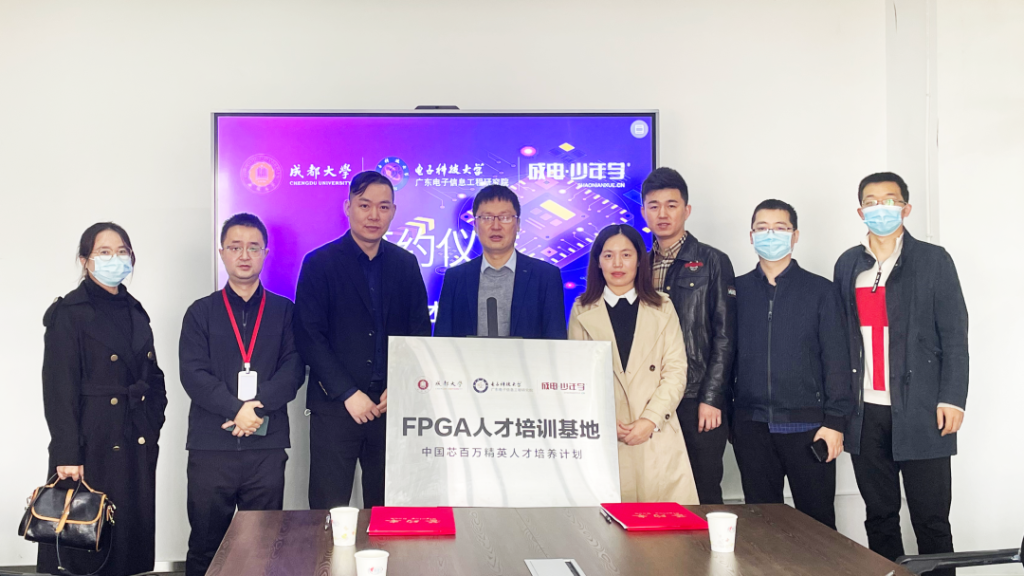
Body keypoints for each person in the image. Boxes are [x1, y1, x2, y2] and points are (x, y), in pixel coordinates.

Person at [834, 173, 968, 575]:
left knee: (931, 520)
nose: (881, 208)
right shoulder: (848, 264)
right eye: (871, 202)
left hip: (922, 409)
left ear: (906, 209)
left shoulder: (933, 260)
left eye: (890, 200)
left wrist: (952, 398)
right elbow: (839, 338)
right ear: (860, 212)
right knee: (880, 517)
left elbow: (955, 335)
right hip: (865, 412)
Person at [294, 171, 432, 509]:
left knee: (388, 509)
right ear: (348, 207)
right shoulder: (319, 263)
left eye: (383, 207)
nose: (374, 215)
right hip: (335, 408)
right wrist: (347, 392)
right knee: (328, 511)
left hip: (390, 406)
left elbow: (419, 332)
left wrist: (398, 386)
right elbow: (309, 335)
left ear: (393, 211)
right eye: (364, 205)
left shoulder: (405, 264)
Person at [178, 214, 305, 576]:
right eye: (235, 247)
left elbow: (294, 369)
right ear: (222, 252)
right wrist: (237, 410)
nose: (244, 255)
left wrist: (256, 409)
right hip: (210, 447)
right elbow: (193, 374)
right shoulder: (200, 312)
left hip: (266, 447)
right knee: (206, 544)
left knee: (263, 544)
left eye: (253, 247)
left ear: (265, 253)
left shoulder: (284, 311)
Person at [38, 223, 168, 576]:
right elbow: (58, 387)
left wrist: (152, 421)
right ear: (85, 260)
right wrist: (67, 452)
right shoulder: (69, 313)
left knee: (127, 541)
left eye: (122, 251)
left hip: (135, 437)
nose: (116, 259)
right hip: (89, 443)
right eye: (104, 252)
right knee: (86, 539)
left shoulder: (135, 310)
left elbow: (153, 376)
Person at [731, 200, 852, 528]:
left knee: (818, 527)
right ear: (751, 236)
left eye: (780, 228)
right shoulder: (736, 291)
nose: (770, 235)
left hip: (809, 429)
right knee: (761, 527)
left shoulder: (821, 291)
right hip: (752, 427)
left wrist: (836, 421)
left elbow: (837, 360)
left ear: (795, 235)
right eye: (762, 228)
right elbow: (725, 357)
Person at [567, 224, 698, 504]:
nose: (617, 263)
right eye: (608, 255)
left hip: (655, 431)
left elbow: (675, 372)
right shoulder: (582, 309)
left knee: (662, 528)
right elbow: (577, 377)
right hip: (606, 433)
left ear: (640, 260)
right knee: (607, 524)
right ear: (598, 262)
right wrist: (603, 420)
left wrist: (650, 419)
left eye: (626, 255)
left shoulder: (663, 306)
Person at [639, 167, 735, 505]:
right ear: (644, 212)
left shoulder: (712, 261)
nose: (662, 214)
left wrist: (712, 397)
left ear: (687, 210)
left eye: (671, 205)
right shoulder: (638, 265)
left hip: (696, 398)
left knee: (703, 492)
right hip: (650, 397)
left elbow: (725, 335)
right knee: (656, 491)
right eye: (654, 206)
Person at [434, 184, 567, 339]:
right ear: (475, 225)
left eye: (505, 218)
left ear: (518, 224)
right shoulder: (455, 278)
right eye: (487, 218)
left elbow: (555, 341)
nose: (496, 226)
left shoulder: (546, 276)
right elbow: (442, 341)